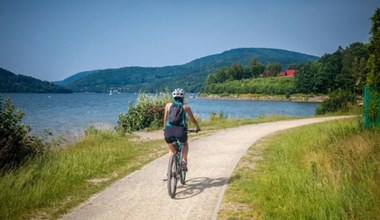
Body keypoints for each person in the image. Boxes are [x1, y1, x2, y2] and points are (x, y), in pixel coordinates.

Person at [163, 88, 201, 171]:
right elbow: (193, 120)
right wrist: (198, 128)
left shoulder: (168, 105)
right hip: (180, 131)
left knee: (171, 148)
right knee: (185, 144)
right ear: (183, 97)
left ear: (173, 97)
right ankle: (184, 161)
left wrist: (164, 129)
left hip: (169, 130)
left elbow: (165, 120)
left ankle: (170, 170)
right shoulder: (185, 107)